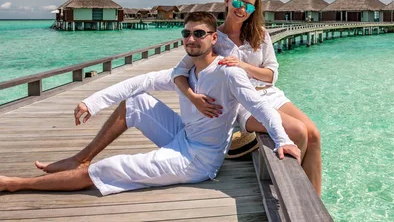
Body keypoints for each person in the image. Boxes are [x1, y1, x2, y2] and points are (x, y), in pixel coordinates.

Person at [0, 12, 300, 195]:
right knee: (136, 101)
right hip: (183, 136)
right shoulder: (186, 71)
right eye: (186, 33)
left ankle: (16, 183)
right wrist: (92, 102)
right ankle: (81, 157)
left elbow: (260, 107)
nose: (191, 38)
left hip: (198, 160)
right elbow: (138, 82)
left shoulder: (228, 73)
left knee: (108, 169)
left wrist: (283, 139)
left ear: (213, 38)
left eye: (199, 34)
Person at [172, 0, 322, 195]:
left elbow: (271, 75)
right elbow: (178, 73)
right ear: (227, 1)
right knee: (297, 130)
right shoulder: (213, 37)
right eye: (238, 2)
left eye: (249, 6)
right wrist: (193, 98)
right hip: (241, 102)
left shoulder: (260, 34)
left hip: (269, 93)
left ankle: (314, 202)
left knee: (314, 134)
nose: (242, 9)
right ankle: (295, 195)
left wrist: (243, 65)